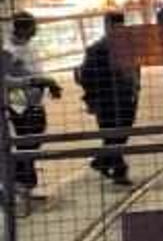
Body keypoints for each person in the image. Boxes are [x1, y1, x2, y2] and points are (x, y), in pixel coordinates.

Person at [4, 12, 62, 197]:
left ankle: (24, 181)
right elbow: (13, 79)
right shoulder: (9, 51)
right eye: (32, 26)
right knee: (27, 142)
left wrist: (46, 85)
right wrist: (41, 82)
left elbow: (35, 72)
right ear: (22, 28)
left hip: (34, 101)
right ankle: (24, 182)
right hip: (21, 104)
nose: (36, 29)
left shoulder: (29, 46)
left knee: (33, 140)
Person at [77, 12, 138, 185]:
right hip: (108, 99)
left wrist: (135, 88)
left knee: (119, 135)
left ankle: (102, 162)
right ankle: (118, 170)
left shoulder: (127, 47)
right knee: (114, 135)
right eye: (115, 25)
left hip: (125, 97)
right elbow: (87, 76)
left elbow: (134, 72)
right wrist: (92, 98)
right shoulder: (98, 48)